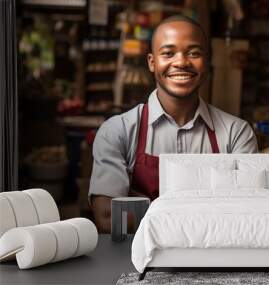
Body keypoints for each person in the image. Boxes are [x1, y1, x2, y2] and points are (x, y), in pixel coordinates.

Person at [89, 15, 258, 233]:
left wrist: (147, 210)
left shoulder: (236, 134)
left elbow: (244, 214)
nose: (181, 62)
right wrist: (207, 210)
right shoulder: (117, 131)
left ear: (207, 61)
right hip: (136, 263)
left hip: (214, 261)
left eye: (194, 53)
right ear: (152, 62)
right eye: (168, 53)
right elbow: (109, 218)